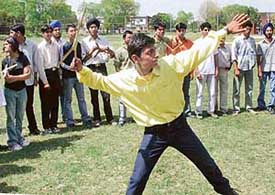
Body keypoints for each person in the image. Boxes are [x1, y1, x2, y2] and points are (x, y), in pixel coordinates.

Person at [72, 14, 249, 195]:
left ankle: (228, 192)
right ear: (135, 58)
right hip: (154, 134)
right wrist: (81, 70)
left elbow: (198, 51)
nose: (155, 55)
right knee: (137, 180)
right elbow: (99, 81)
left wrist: (225, 30)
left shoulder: (170, 65)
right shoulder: (124, 80)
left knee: (208, 165)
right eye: (149, 53)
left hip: (180, 128)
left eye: (154, 50)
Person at [9, 24, 47, 135]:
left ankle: (33, 127)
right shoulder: (11, 45)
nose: (10, 35)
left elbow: (36, 63)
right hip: (15, 81)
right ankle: (16, 131)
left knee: (28, 105)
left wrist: (35, 77)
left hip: (28, 81)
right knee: (16, 107)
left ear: (19, 33)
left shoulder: (32, 45)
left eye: (12, 32)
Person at [82, 18, 116, 127]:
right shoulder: (84, 42)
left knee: (106, 93)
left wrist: (105, 50)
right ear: (88, 29)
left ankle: (110, 118)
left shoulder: (104, 40)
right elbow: (84, 60)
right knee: (94, 94)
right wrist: (92, 51)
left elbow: (112, 55)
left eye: (95, 27)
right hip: (91, 68)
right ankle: (97, 118)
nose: (94, 29)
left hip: (102, 67)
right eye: (91, 27)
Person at [2, 37, 31, 151]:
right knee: (11, 116)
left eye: (7, 44)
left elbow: (28, 74)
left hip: (22, 91)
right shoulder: (5, 61)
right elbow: (7, 80)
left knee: (19, 116)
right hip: (9, 92)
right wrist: (8, 77)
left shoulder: (23, 58)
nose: (5, 46)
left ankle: (19, 138)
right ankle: (12, 142)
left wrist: (13, 77)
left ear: (13, 46)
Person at [61, 24, 92, 128]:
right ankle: (69, 120)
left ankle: (86, 118)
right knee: (68, 99)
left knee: (81, 98)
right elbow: (61, 62)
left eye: (75, 31)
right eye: (71, 31)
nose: (73, 33)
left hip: (78, 76)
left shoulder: (79, 45)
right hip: (68, 77)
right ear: (67, 33)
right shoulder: (64, 46)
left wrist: (79, 64)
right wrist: (69, 67)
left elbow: (82, 58)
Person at [37, 25, 61, 134]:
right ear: (42, 34)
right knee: (46, 103)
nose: (49, 34)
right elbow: (40, 67)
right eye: (46, 32)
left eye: (50, 32)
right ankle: (46, 127)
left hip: (55, 73)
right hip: (45, 74)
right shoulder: (40, 47)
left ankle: (54, 125)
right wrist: (45, 82)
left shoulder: (56, 45)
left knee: (55, 102)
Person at [167, 22, 194, 117]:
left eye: (183, 30)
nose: (182, 32)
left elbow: (192, 58)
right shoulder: (171, 43)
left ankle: (187, 110)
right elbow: (168, 57)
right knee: (175, 92)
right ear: (176, 31)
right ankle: (176, 112)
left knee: (185, 92)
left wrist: (192, 71)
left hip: (186, 71)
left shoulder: (189, 43)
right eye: (180, 31)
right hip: (175, 72)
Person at [232, 20, 257, 115]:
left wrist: (253, 63)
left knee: (249, 89)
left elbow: (253, 53)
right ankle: (236, 108)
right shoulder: (237, 40)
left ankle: (249, 107)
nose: (248, 31)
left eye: (250, 29)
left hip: (249, 67)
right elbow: (234, 56)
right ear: (243, 29)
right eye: (247, 29)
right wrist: (235, 68)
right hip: (239, 67)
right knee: (236, 90)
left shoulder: (252, 40)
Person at [195, 22, 219, 119]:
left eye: (208, 30)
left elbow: (216, 56)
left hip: (211, 71)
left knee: (212, 93)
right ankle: (198, 111)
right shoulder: (197, 42)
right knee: (199, 93)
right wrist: (196, 70)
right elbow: (194, 58)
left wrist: (216, 69)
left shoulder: (213, 43)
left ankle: (211, 110)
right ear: (201, 30)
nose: (207, 31)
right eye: (205, 30)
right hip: (201, 71)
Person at [113, 30, 134, 126]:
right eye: (129, 37)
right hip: (124, 76)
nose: (130, 39)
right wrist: (119, 74)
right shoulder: (120, 51)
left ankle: (136, 117)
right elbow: (117, 64)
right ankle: (122, 118)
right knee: (123, 98)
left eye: (132, 37)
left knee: (135, 97)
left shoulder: (135, 49)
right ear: (124, 39)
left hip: (134, 76)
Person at [256, 23, 275, 114]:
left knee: (273, 88)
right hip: (264, 68)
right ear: (264, 32)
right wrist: (259, 70)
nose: (269, 32)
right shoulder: (260, 44)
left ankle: (271, 105)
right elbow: (258, 59)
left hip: (273, 68)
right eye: (267, 31)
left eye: (270, 30)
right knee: (262, 88)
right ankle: (261, 105)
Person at [50, 20, 66, 122]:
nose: (58, 31)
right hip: (53, 72)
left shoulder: (63, 42)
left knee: (64, 96)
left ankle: (65, 115)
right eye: (55, 30)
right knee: (53, 97)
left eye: (59, 29)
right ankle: (53, 119)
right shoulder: (50, 42)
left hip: (64, 71)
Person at [215, 37, 232, 115]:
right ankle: (214, 108)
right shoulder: (214, 48)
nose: (221, 40)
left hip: (224, 70)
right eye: (220, 39)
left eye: (223, 39)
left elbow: (231, 59)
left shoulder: (228, 48)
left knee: (224, 90)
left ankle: (223, 109)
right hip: (215, 71)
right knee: (214, 90)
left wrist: (229, 67)